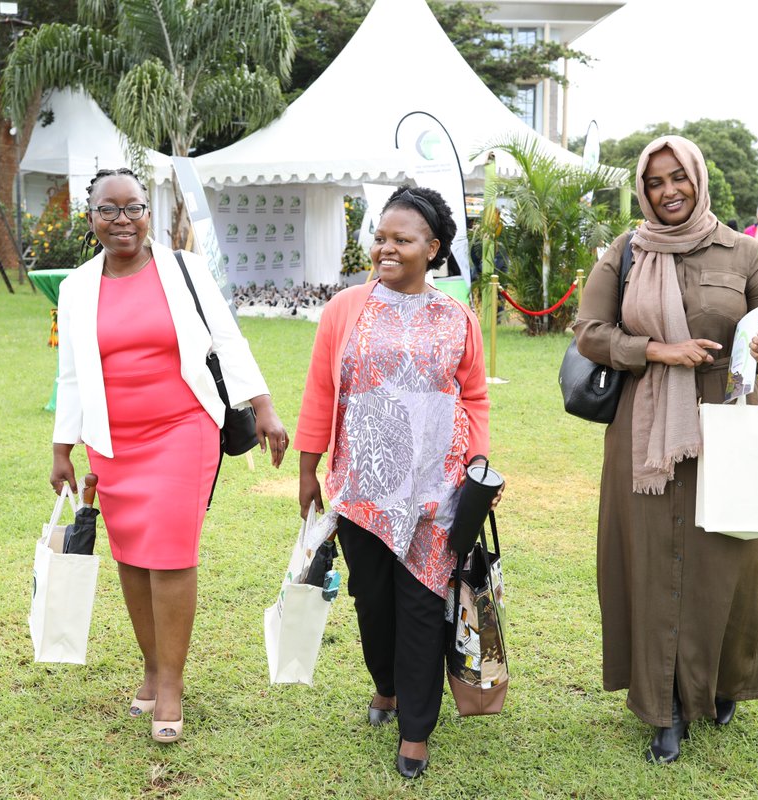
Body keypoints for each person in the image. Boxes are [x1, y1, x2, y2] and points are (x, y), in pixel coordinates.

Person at [572, 136, 758, 765]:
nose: (669, 191)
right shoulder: (626, 252)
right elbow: (590, 333)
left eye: (679, 179)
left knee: (728, 561)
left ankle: (722, 682)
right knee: (648, 563)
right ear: (643, 187)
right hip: (644, 438)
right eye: (656, 181)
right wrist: (659, 351)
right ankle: (663, 707)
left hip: (727, 429)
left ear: (699, 179)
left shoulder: (749, 255)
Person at [49, 167, 288, 744]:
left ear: (148, 214)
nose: (123, 220)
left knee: (172, 551)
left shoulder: (184, 269)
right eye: (110, 210)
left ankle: (173, 684)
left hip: (184, 428)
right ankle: (152, 669)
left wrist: (265, 407)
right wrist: (62, 447)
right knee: (131, 553)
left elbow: (227, 340)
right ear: (91, 219)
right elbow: (73, 373)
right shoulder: (76, 286)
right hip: (112, 440)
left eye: (134, 208)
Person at [294, 186, 495, 780]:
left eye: (401, 240)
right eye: (380, 237)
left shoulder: (457, 317)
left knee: (421, 604)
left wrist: (477, 469)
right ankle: (385, 685)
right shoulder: (345, 309)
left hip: (435, 490)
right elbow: (319, 391)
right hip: (360, 488)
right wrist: (308, 469)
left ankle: (415, 730)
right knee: (373, 601)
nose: (385, 248)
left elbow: (475, 397)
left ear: (432, 249)